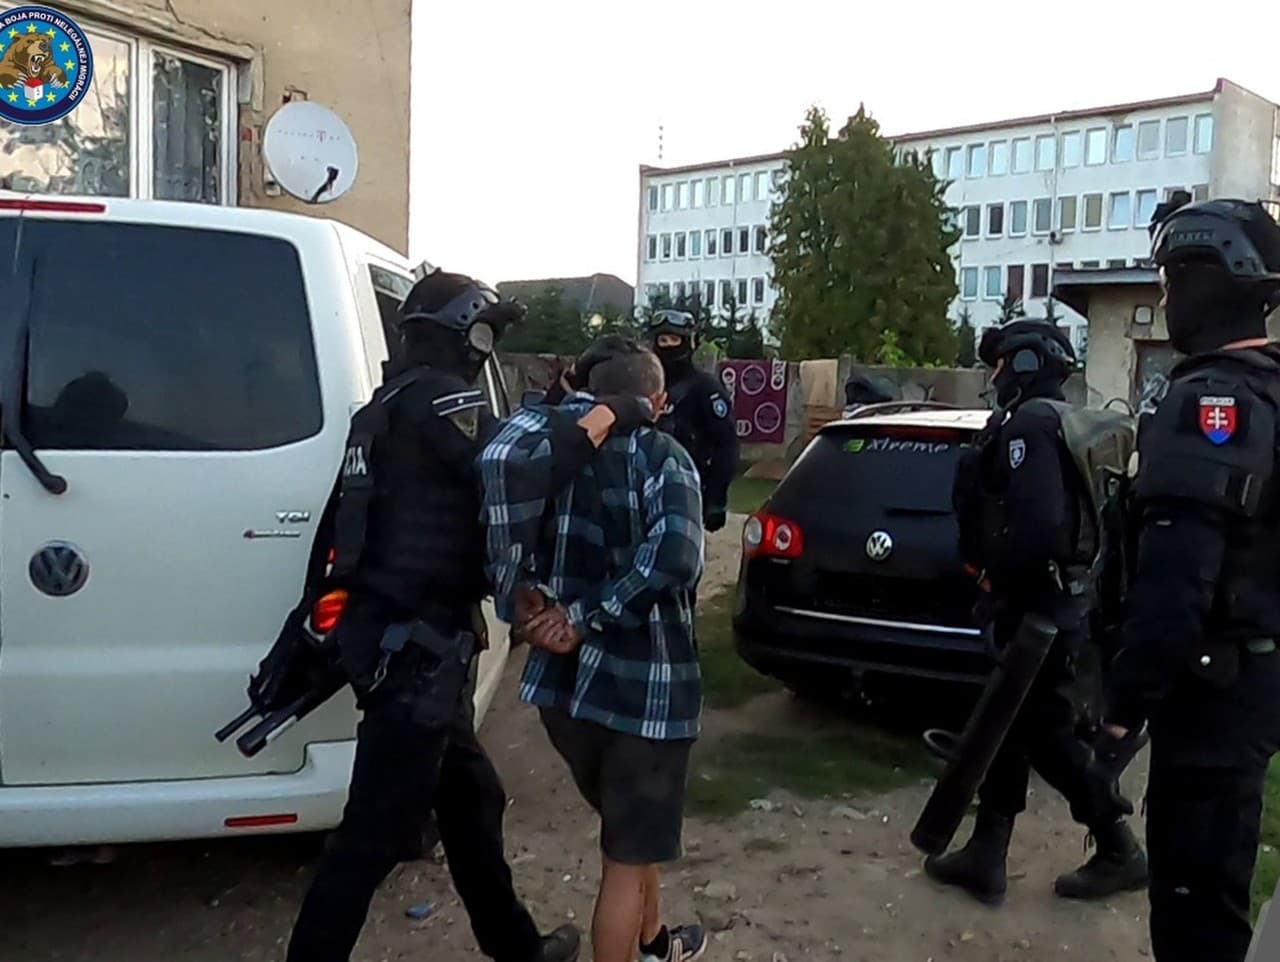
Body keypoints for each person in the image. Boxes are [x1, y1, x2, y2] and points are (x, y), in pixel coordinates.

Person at [285, 271, 647, 962]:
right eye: (487, 334)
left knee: (472, 800)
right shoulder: (444, 402)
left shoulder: (384, 407)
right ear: (468, 335)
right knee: (370, 837)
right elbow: (518, 469)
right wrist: (612, 416)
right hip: (415, 652)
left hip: (399, 640)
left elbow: (339, 529)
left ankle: (518, 948)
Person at [479, 337, 707, 962]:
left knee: (631, 834)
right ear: (657, 401)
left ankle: (656, 943)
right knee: (624, 861)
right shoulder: (663, 457)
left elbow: (500, 502)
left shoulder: (549, 455)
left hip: (565, 694)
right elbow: (677, 557)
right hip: (645, 694)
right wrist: (584, 618)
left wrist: (525, 598)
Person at [1099, 196, 1280, 962]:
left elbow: (1175, 584)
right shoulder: (1269, 389)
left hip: (1212, 696)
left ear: (1208, 280)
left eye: (1171, 280)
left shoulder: (1210, 402)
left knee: (1195, 915)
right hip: (1254, 677)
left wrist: (1121, 709)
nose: (1165, 298)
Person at [927, 318, 1148, 906]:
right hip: (1054, 602)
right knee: (1012, 726)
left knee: (1046, 734)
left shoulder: (1028, 424)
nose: (995, 375)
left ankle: (1119, 847)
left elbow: (1040, 525)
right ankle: (986, 853)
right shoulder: (1056, 420)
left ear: (1025, 364)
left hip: (1038, 608)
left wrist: (993, 571)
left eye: (1001, 363)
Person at [646, 309, 738, 534]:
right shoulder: (643, 385)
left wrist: (716, 498)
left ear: (688, 343)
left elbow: (726, 445)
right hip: (643, 487)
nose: (668, 346)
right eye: (663, 340)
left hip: (688, 488)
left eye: (674, 340)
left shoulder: (705, 388)